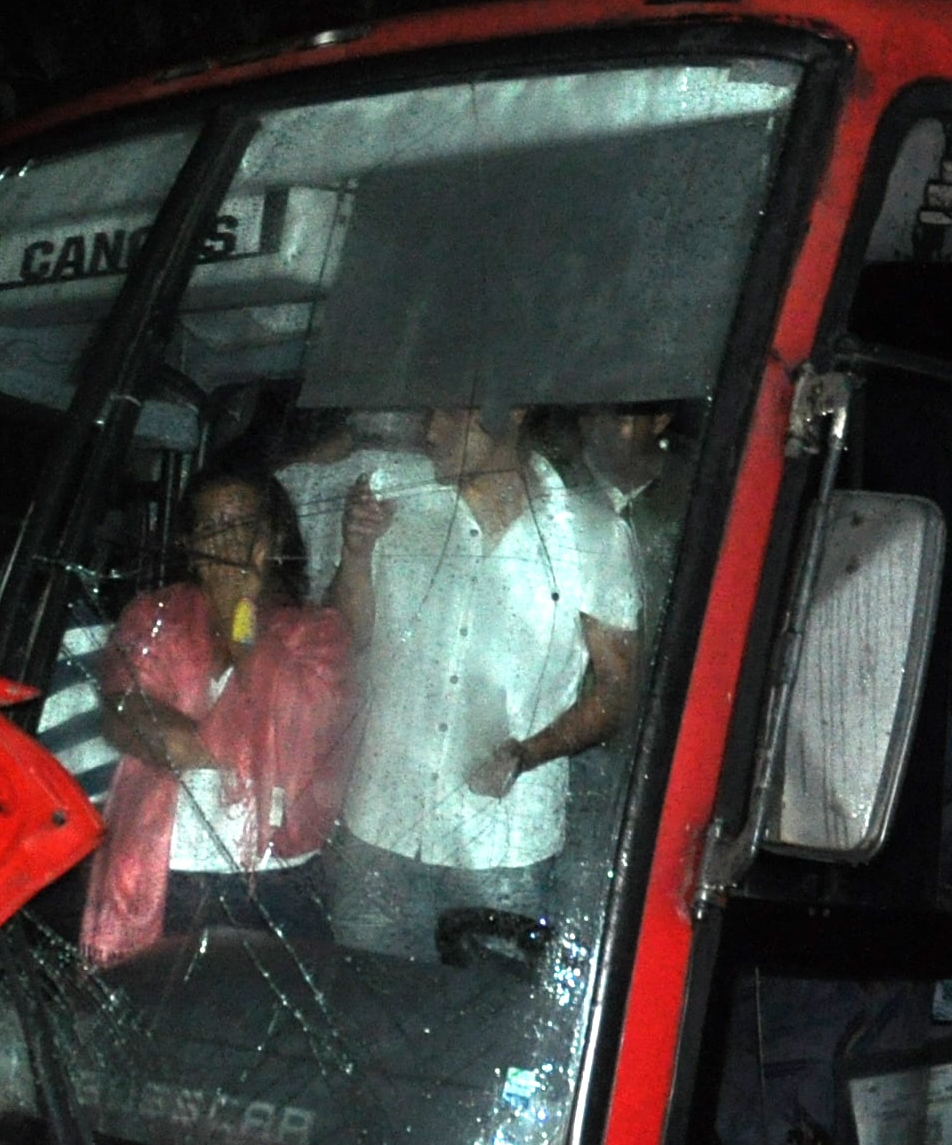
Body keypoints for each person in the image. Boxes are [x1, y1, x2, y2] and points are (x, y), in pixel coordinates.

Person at [319, 403, 642, 958]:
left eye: (456, 413)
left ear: (512, 411)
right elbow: (347, 635)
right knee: (362, 1012)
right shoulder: (392, 498)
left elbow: (618, 689)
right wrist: (355, 555)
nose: (432, 426)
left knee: (485, 1024)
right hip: (379, 826)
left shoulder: (592, 533)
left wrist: (528, 753)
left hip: (504, 844)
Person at [82, 467, 354, 963]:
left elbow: (299, 744)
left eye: (241, 525)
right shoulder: (153, 615)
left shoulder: (317, 634)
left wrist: (242, 615)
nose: (224, 541)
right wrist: (245, 744)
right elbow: (126, 720)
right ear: (189, 543)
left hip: (274, 881)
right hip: (163, 872)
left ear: (272, 538)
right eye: (211, 527)